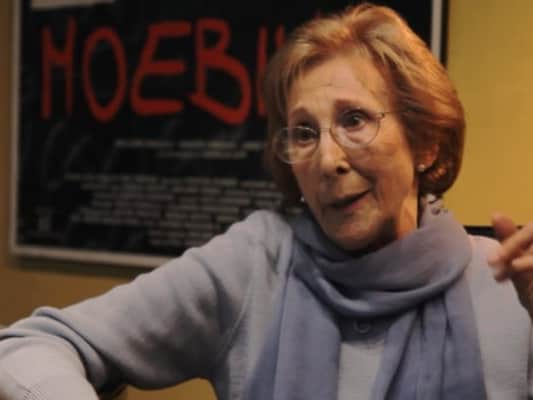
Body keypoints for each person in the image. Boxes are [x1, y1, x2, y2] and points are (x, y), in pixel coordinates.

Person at [1, 3, 533, 400]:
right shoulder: (256, 264)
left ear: (426, 143)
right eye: (304, 132)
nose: (327, 160)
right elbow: (27, 344)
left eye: (354, 120)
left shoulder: (509, 283)